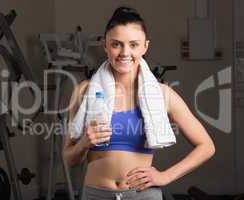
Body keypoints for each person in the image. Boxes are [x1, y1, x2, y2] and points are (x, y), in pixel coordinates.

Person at [63, 6, 215, 200]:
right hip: (95, 194)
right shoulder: (84, 91)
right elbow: (68, 158)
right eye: (116, 44)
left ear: (145, 47)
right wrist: (84, 142)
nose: (125, 52)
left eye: (133, 45)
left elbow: (206, 146)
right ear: (105, 45)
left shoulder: (162, 94)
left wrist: (166, 176)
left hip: (142, 195)